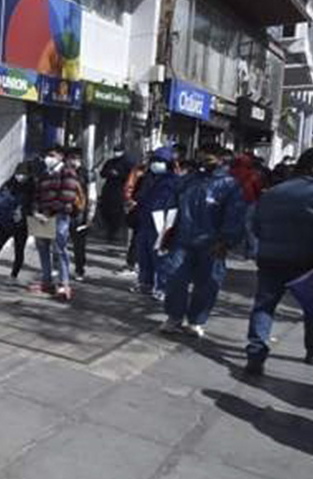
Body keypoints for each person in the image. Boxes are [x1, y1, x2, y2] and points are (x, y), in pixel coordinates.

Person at [245, 148, 313, 376]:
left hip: (271, 260)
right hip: (306, 263)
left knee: (264, 307)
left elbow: (255, 225)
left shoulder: (273, 192)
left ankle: (255, 352)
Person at [159, 144, 246, 339]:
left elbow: (235, 216)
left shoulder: (230, 185)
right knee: (174, 278)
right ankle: (174, 316)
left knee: (207, 284)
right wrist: (166, 232)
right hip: (182, 239)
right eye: (201, 158)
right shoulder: (188, 181)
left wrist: (226, 240)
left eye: (209, 159)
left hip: (212, 243)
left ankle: (196, 321)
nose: (203, 163)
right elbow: (172, 206)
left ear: (221, 159)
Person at [32, 146, 83, 301]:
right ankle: (46, 281)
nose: (49, 158)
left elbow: (67, 195)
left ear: (61, 157)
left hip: (59, 216)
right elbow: (37, 194)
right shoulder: (45, 174)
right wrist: (35, 211)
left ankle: (63, 283)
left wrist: (48, 212)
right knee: (42, 247)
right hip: (42, 217)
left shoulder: (68, 172)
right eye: (47, 155)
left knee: (59, 249)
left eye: (52, 155)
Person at [131, 147, 182, 299]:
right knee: (143, 254)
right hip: (145, 221)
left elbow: (174, 204)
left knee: (161, 257)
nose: (157, 164)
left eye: (161, 161)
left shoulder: (174, 181)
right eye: (155, 161)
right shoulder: (147, 178)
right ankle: (145, 283)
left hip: (163, 222)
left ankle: (162, 287)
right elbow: (139, 196)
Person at [230, 152, 268, 258]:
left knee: (238, 225)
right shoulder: (253, 174)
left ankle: (238, 250)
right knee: (249, 227)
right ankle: (252, 250)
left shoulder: (231, 172)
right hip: (250, 200)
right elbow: (258, 188)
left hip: (234, 202)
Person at [65, 148, 91, 282]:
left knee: (79, 244)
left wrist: (89, 215)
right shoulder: (64, 171)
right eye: (71, 158)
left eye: (75, 158)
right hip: (65, 211)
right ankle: (59, 267)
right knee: (60, 241)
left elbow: (90, 196)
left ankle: (79, 269)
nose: (73, 161)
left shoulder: (85, 174)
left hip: (80, 212)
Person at [98, 146, 134, 242]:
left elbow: (131, 176)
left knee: (117, 212)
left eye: (118, 151)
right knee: (106, 210)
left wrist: (119, 174)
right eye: (115, 151)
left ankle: (115, 232)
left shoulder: (127, 163)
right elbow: (102, 173)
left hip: (120, 189)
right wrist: (109, 173)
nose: (116, 153)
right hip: (109, 189)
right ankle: (109, 231)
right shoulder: (110, 162)